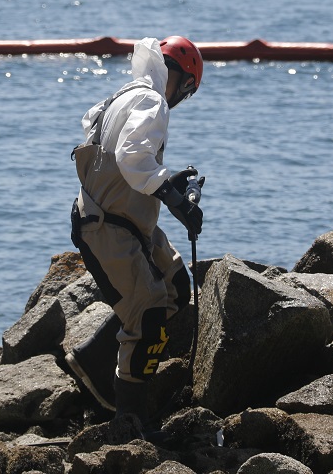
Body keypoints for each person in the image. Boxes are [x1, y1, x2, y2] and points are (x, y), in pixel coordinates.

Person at [66, 36, 204, 434]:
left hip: (124, 219)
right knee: (149, 315)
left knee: (177, 285)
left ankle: (96, 362)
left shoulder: (125, 94)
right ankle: (129, 419)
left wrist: (170, 184)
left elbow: (120, 158)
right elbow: (132, 157)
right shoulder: (153, 100)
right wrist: (176, 201)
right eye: (187, 90)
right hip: (110, 227)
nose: (182, 98)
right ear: (178, 79)